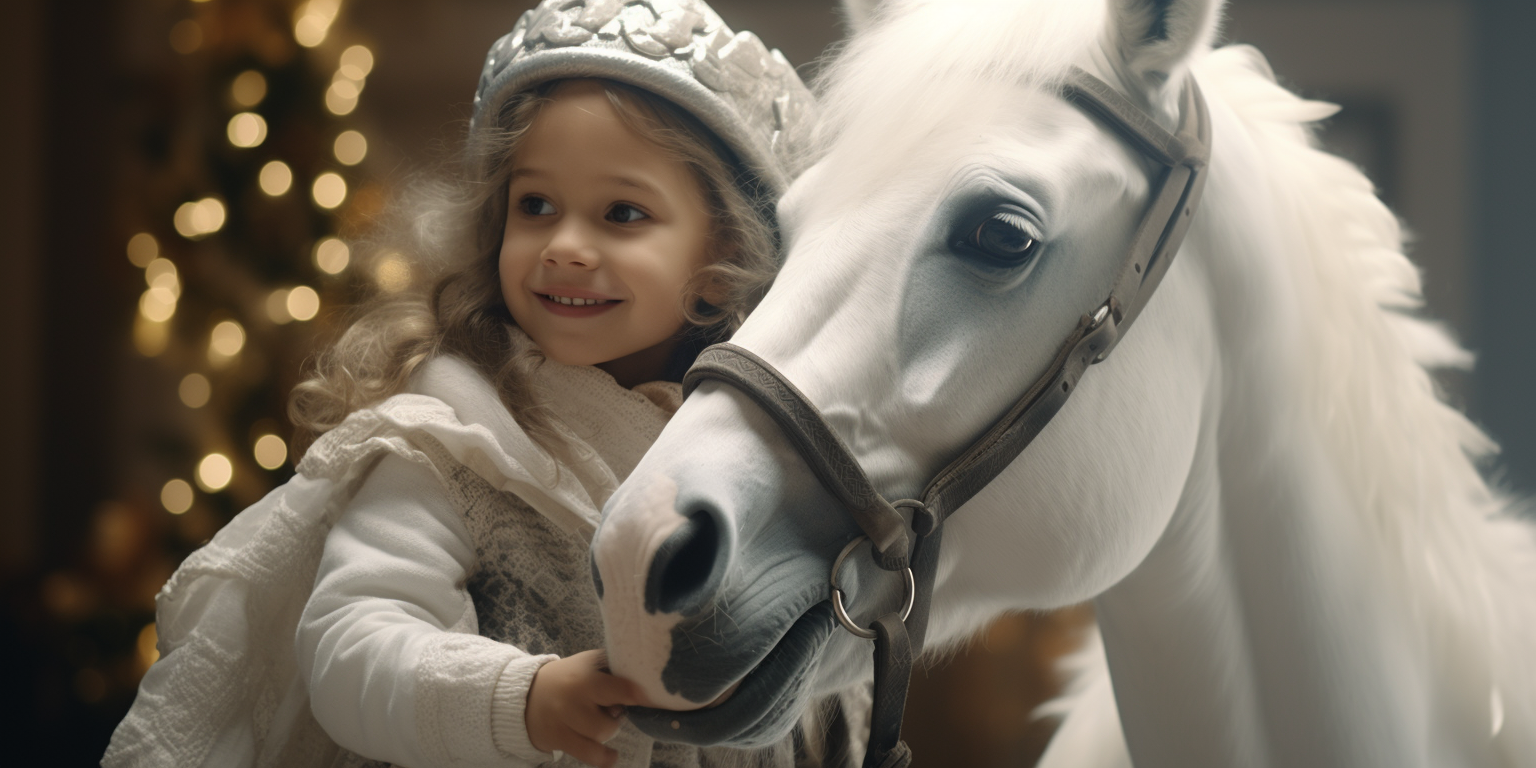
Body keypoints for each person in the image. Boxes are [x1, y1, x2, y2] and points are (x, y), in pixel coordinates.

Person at [103, 2, 859, 766]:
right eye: (536, 206)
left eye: (621, 214)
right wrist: (518, 700)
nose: (564, 245)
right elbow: (347, 643)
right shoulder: (459, 434)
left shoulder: (757, 441)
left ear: (724, 249)